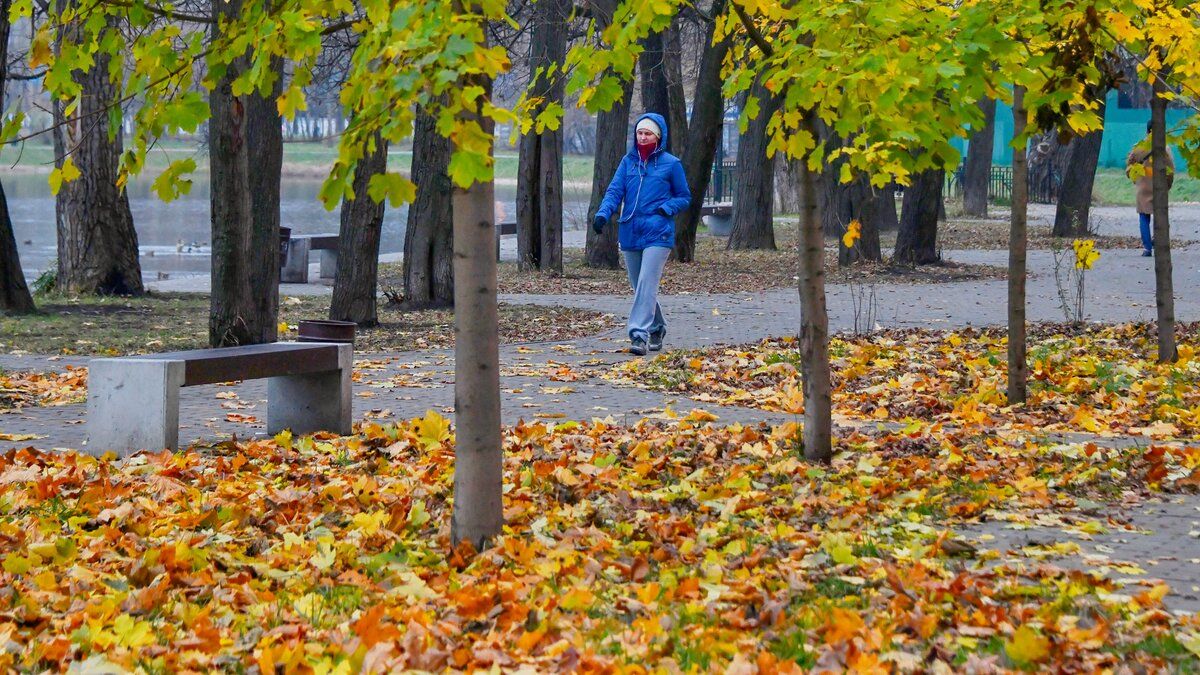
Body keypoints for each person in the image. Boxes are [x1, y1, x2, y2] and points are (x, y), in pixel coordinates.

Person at [593, 113, 691, 356]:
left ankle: (638, 335)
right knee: (639, 287)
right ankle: (657, 327)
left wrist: (666, 209)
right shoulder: (628, 162)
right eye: (640, 132)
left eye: (648, 133)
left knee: (647, 283)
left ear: (658, 137)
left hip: (658, 233)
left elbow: (684, 197)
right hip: (630, 231)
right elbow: (615, 191)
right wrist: (603, 214)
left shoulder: (671, 164)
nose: (643, 137)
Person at [1126, 120, 1175, 257]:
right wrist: (1168, 185)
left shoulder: (1139, 147)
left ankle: (1147, 248)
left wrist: (1135, 179)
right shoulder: (1165, 148)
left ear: (1147, 130)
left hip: (1143, 187)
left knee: (1143, 216)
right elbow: (1170, 170)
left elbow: (1130, 166)